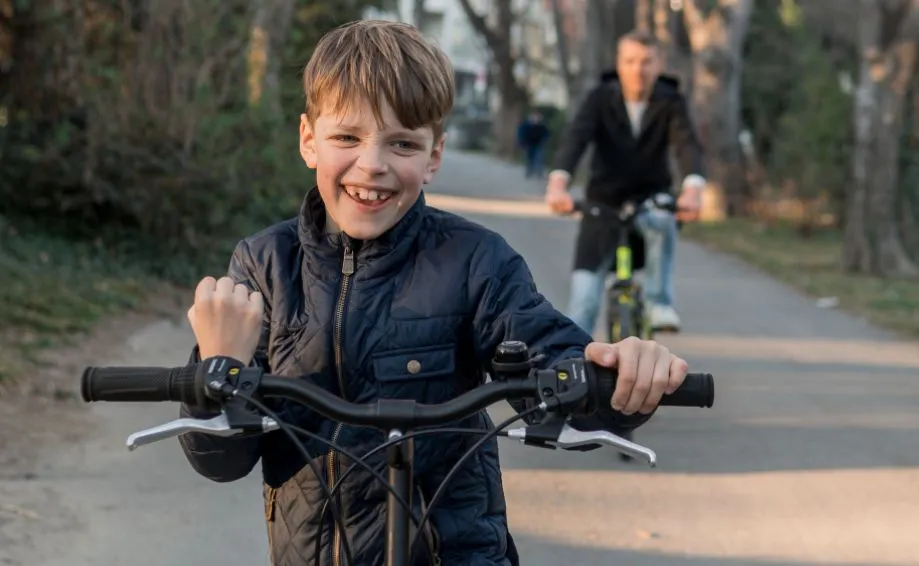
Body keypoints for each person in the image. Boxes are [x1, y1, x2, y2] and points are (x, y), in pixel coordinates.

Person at [177, 20, 693, 566]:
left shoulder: (476, 262)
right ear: (308, 139)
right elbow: (222, 461)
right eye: (346, 137)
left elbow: (556, 362)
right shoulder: (265, 265)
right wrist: (216, 369)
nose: (372, 164)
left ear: (434, 156)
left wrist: (619, 373)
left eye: (402, 143)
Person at [545, 30, 706, 335]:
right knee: (583, 304)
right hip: (602, 205)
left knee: (662, 218)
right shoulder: (600, 97)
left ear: (659, 65)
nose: (638, 70)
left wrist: (693, 189)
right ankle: (572, 364)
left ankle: (659, 303)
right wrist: (558, 184)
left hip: (650, 200)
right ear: (619, 63)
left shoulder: (670, 100)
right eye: (630, 61)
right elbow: (576, 139)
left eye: (646, 62)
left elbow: (688, 146)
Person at [516, 111, 550, 179]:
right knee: (529, 159)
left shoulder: (542, 126)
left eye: (537, 118)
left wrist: (544, 140)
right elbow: (521, 134)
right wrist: (522, 142)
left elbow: (546, 134)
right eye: (534, 117)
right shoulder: (526, 125)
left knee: (539, 159)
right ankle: (529, 171)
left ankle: (539, 173)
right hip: (528, 144)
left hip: (538, 145)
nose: (536, 119)